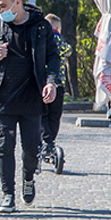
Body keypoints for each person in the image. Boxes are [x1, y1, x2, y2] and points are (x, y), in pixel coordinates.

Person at [0, 0, 59, 213]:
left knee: (32, 148)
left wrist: (51, 82)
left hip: (33, 97)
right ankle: (8, 195)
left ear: (17, 2)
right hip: (2, 97)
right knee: (4, 147)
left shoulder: (41, 26)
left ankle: (29, 179)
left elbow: (53, 57)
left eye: (3, 6)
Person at [41, 14, 72, 156]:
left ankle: (45, 140)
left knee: (42, 114)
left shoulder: (42, 39)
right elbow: (68, 50)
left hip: (43, 82)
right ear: (58, 28)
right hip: (58, 83)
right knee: (55, 115)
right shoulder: (58, 39)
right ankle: (50, 141)